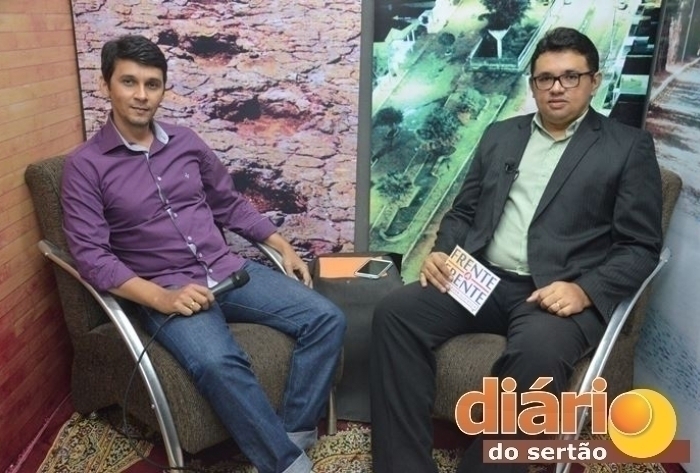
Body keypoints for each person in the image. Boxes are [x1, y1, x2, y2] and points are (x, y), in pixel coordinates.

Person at [369, 27, 663, 473]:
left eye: (570, 76)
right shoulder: (500, 135)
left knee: (537, 355)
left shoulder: (627, 147)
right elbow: (463, 211)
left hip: (556, 293)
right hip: (481, 279)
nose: (557, 87)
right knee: (395, 313)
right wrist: (442, 251)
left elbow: (641, 247)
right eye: (546, 78)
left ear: (594, 81)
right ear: (533, 84)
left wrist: (585, 290)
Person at [61, 34, 346, 473]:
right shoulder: (85, 166)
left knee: (327, 318)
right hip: (169, 289)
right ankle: (288, 466)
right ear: (105, 85)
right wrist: (162, 298)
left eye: (152, 84)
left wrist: (281, 244)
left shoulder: (186, 142)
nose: (141, 95)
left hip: (228, 270)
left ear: (163, 89)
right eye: (129, 82)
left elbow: (228, 204)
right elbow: (92, 257)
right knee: (217, 362)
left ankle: (292, 435)